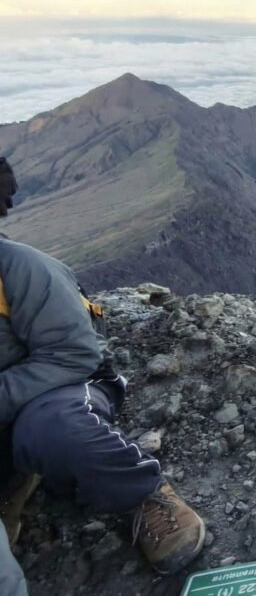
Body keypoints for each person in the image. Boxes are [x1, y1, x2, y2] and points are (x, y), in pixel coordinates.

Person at [0, 161, 206, 577]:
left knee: (57, 428)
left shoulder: (21, 269)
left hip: (56, 388)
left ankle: (143, 493)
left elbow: (74, 356)